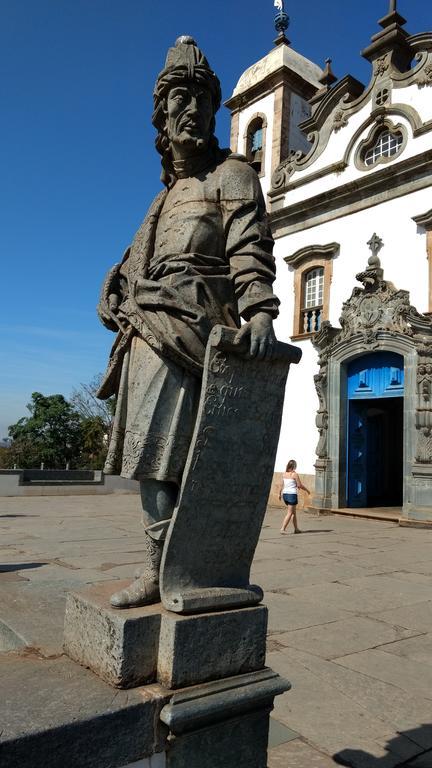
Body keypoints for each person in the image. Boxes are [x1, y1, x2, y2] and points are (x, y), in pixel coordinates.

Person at [96, 36, 280, 608]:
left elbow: (250, 246)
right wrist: (115, 287)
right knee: (149, 462)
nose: (192, 111)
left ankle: (191, 567)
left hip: (197, 328)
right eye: (180, 98)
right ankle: (160, 567)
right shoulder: (162, 197)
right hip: (147, 330)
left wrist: (260, 310)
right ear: (161, 113)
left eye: (202, 100)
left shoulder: (233, 175)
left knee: (178, 462)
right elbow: (132, 263)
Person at [279, 460, 310, 534]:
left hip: (285, 495)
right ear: (294, 466)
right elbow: (299, 485)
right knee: (290, 513)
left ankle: (296, 529)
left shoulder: (284, 474)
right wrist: (307, 490)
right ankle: (282, 529)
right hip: (291, 495)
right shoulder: (294, 474)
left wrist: (279, 494)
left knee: (293, 513)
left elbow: (281, 485)